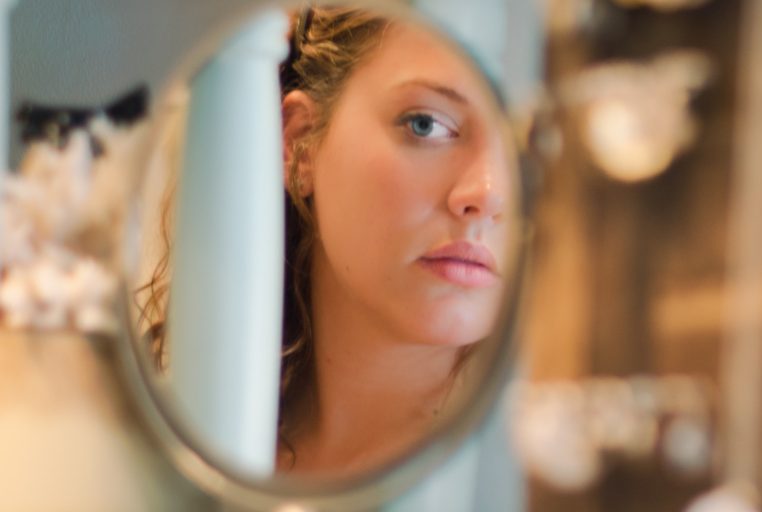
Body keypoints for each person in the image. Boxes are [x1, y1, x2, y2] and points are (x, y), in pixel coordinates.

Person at [138, 6, 514, 477]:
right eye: (425, 124)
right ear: (299, 141)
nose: (488, 193)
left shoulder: (544, 475)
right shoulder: (152, 437)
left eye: (526, 147)